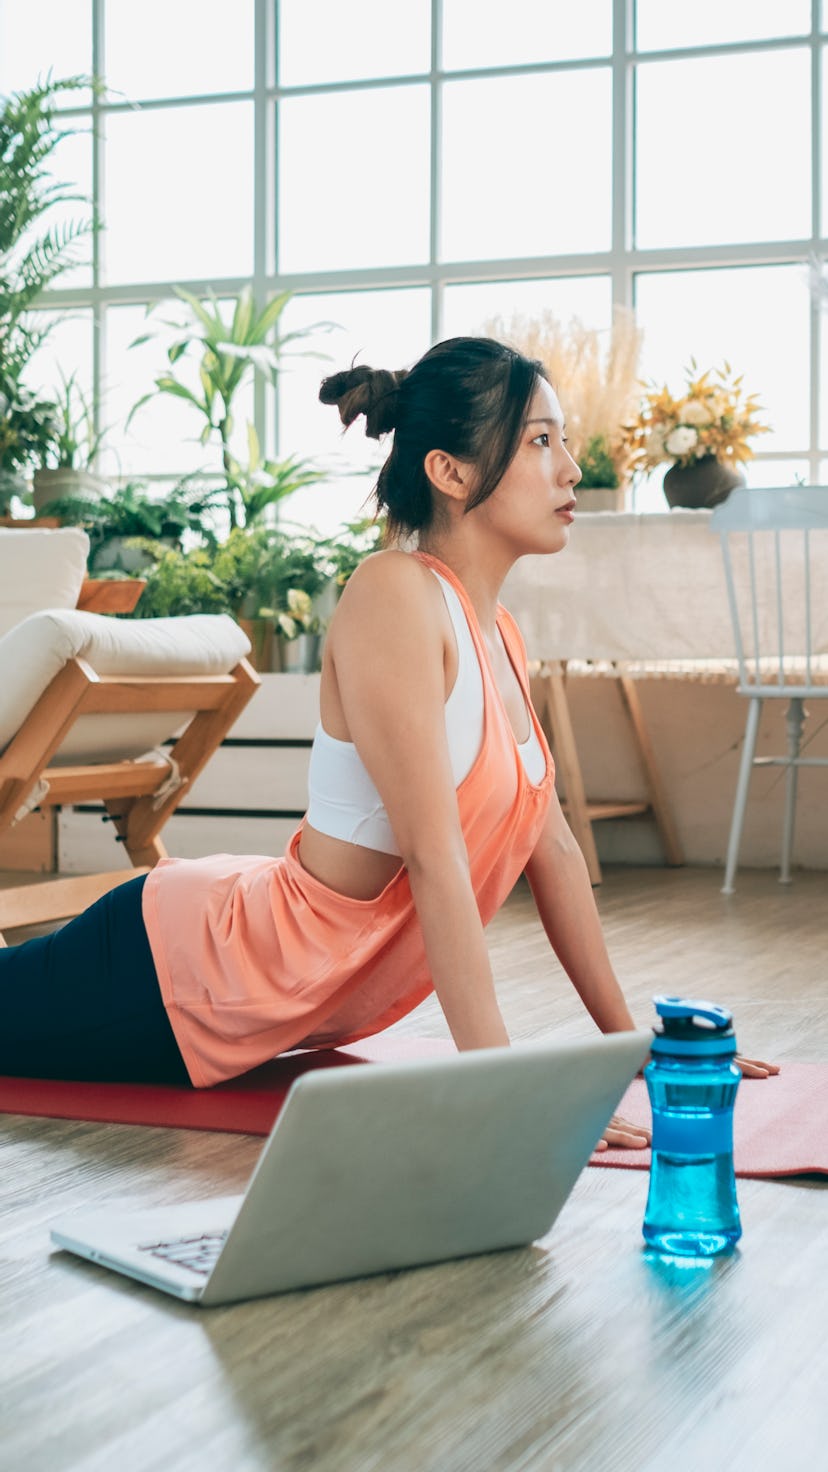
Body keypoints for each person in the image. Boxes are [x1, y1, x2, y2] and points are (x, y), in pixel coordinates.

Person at [0, 336, 776, 1143]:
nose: (572, 469)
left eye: (563, 441)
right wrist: (504, 1088)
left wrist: (630, 1046)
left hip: (258, 996)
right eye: (542, 441)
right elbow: (436, 859)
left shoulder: (498, 633)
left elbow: (555, 853)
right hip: (183, 974)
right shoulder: (394, 596)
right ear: (450, 472)